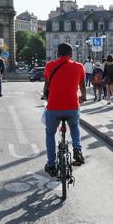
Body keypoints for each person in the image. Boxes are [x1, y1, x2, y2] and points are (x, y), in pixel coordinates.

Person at [43, 43, 86, 176]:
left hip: (53, 107)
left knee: (50, 133)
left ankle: (51, 164)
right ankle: (77, 150)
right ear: (71, 54)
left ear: (57, 54)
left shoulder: (49, 66)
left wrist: (45, 96)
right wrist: (83, 97)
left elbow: (46, 86)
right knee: (74, 125)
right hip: (72, 107)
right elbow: (83, 86)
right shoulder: (79, 66)